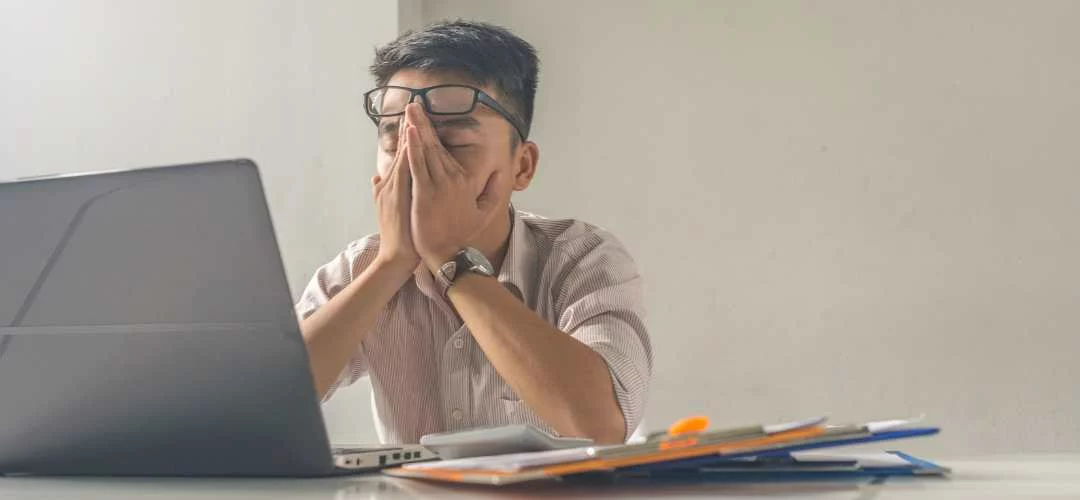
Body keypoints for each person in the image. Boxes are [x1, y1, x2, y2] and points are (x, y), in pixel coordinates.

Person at [295, 20, 652, 445]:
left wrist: (451, 257)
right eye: (395, 143)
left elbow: (601, 425)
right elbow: (266, 401)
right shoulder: (360, 267)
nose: (415, 165)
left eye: (452, 144)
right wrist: (391, 264)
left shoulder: (582, 258)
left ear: (522, 166)